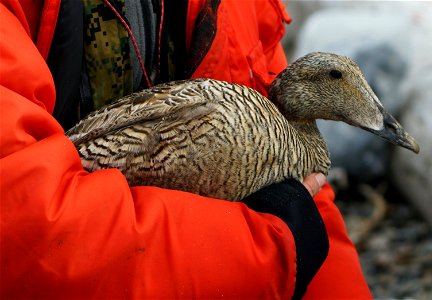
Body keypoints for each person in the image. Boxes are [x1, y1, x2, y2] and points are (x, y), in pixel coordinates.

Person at [0, 0, 372, 299]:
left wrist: (304, 252)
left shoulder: (236, 7)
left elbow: (303, 190)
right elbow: (22, 226)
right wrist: (269, 250)